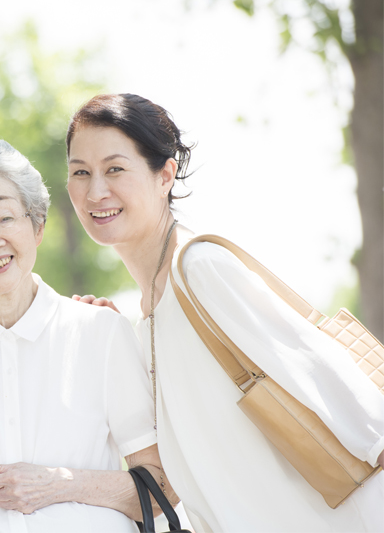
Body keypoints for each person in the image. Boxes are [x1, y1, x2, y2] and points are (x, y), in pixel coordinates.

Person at [62, 93, 384, 532]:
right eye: (81, 172)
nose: (96, 190)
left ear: (165, 176)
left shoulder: (200, 270)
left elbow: (329, 378)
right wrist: (106, 337)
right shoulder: (146, 319)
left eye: (114, 169)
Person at [0, 138, 178, 533]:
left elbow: (162, 488)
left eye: (6, 219)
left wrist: (61, 484)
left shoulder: (101, 333)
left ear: (38, 225)